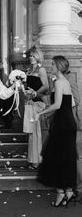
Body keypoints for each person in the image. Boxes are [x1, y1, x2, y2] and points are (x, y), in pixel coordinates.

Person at [34, 56, 77, 207]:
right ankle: (68, 191)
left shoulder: (59, 82)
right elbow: (65, 104)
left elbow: (58, 105)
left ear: (58, 66)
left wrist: (41, 113)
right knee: (65, 158)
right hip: (66, 123)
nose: (50, 66)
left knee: (56, 157)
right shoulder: (63, 81)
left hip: (63, 125)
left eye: (52, 64)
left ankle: (61, 193)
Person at [24, 47, 49, 169]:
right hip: (29, 103)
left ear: (38, 57)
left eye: (33, 56)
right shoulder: (28, 70)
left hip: (38, 102)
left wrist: (35, 93)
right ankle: (32, 158)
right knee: (31, 132)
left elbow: (46, 86)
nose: (31, 58)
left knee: (36, 132)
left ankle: (37, 161)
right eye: (30, 56)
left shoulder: (41, 69)